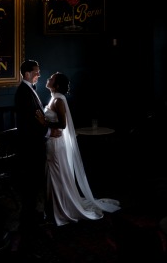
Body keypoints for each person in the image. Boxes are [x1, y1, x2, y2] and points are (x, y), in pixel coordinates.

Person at [43, 71, 121, 226]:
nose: (48, 79)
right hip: (52, 142)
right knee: (54, 176)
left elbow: (63, 125)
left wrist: (43, 123)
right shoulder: (54, 98)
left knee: (58, 176)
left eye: (51, 78)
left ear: (57, 85)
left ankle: (62, 209)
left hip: (57, 144)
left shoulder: (59, 100)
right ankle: (54, 208)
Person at [14, 59, 62, 229]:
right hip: (30, 146)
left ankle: (34, 215)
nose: (39, 75)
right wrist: (49, 132)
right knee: (31, 183)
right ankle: (30, 221)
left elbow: (38, 119)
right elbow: (29, 122)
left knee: (34, 183)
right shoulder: (23, 92)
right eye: (36, 72)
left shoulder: (29, 90)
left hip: (35, 144)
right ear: (27, 74)